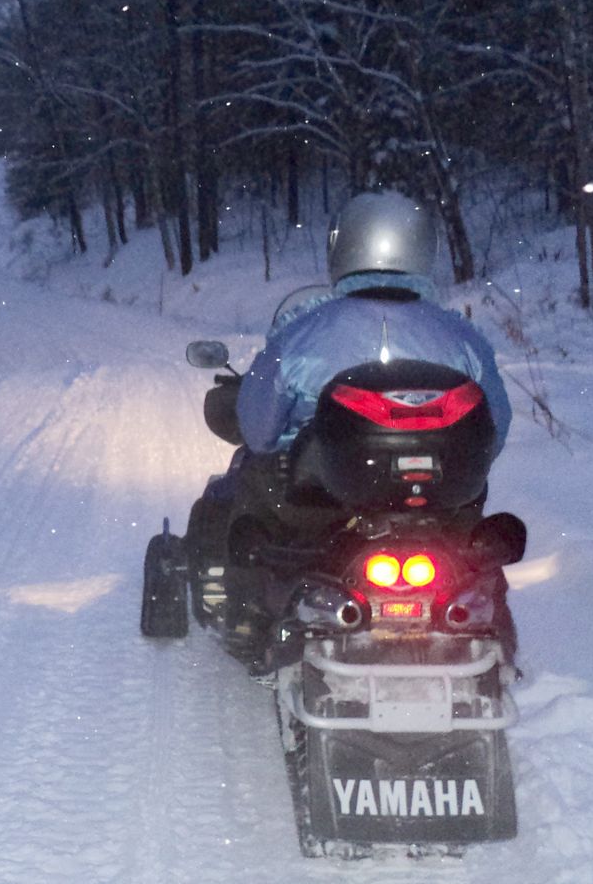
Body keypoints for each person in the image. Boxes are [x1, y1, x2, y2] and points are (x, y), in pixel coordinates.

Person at [187, 190, 513, 629]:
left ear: (344, 246)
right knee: (479, 557)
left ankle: (250, 622)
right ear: (421, 247)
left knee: (252, 492)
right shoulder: (462, 337)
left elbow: (260, 431)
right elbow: (495, 429)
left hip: (319, 507)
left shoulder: (303, 333)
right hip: (438, 508)